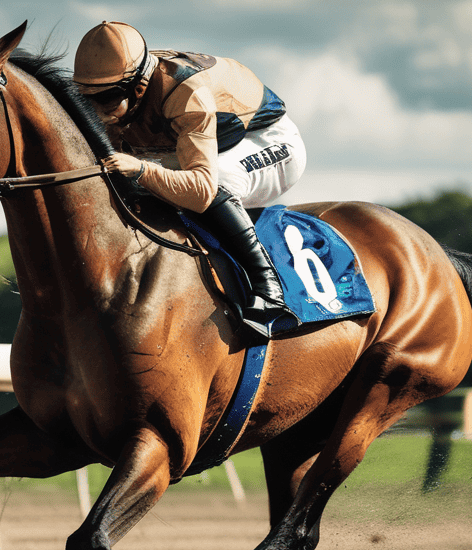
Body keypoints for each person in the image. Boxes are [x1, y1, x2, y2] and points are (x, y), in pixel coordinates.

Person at [73, 21, 307, 340]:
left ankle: (269, 290)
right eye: (89, 100)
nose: (99, 112)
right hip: (196, 144)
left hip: (268, 142)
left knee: (211, 181)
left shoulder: (184, 92)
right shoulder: (118, 85)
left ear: (138, 85)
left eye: (109, 99)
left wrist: (143, 170)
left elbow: (200, 191)